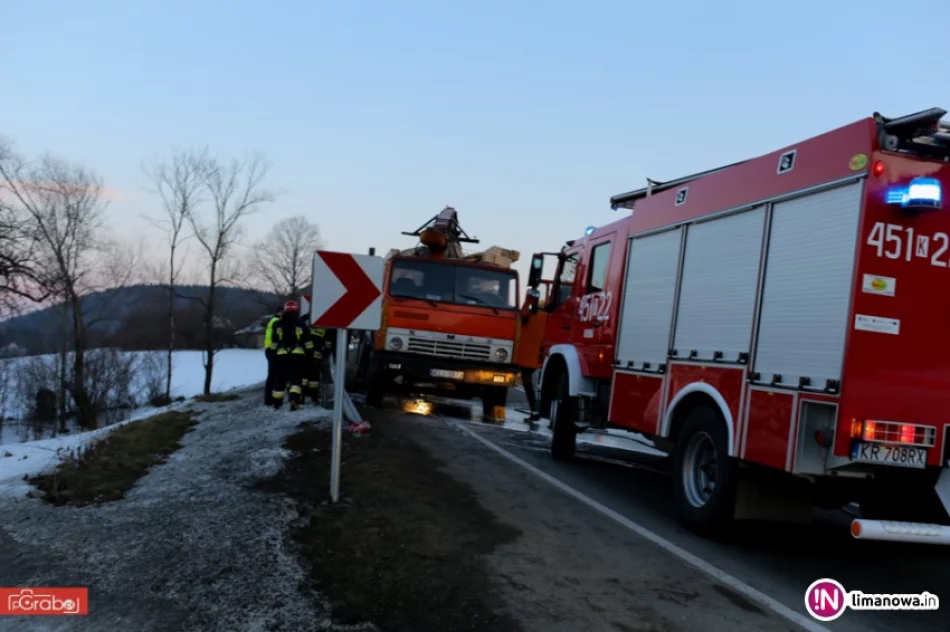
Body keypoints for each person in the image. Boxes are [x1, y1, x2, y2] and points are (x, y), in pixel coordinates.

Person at [513, 288, 546, 430]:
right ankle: (537, 411)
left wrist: (526, 302)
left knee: (528, 386)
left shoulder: (528, 315)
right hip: (540, 356)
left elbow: (522, 316)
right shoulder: (545, 315)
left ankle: (535, 411)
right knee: (536, 386)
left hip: (527, 357)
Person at [271, 300, 311, 411]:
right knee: (296, 379)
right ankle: (294, 399)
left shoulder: (278, 324)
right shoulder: (301, 324)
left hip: (281, 355)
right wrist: (309, 354)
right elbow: (308, 342)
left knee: (280, 379)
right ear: (296, 310)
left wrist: (273, 355)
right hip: (297, 356)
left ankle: (277, 403)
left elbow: (274, 342)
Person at [263, 308, 282, 406]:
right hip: (272, 350)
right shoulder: (276, 322)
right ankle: (270, 399)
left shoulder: (273, 321)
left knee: (272, 375)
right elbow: (278, 337)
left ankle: (269, 399)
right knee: (274, 375)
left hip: (269, 350)